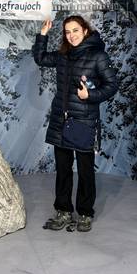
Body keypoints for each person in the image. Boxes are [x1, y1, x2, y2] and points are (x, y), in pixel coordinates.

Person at [33, 15, 117, 232]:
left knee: (85, 170)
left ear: (85, 31)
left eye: (75, 31)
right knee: (62, 169)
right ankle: (63, 210)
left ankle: (85, 213)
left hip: (83, 121)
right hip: (61, 120)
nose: (71, 36)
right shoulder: (63, 55)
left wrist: (90, 94)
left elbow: (112, 86)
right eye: (67, 32)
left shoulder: (98, 56)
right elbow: (40, 58)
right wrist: (43, 34)